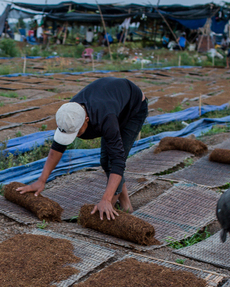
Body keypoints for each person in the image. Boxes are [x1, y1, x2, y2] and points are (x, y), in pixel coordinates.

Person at [16, 77, 148, 219]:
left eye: (77, 132)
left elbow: (118, 161)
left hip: (133, 107)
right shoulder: (69, 114)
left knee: (110, 161)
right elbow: (57, 148)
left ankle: (114, 206)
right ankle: (124, 202)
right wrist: (41, 180)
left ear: (86, 120)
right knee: (105, 161)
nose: (76, 136)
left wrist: (106, 199)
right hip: (112, 100)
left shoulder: (105, 118)